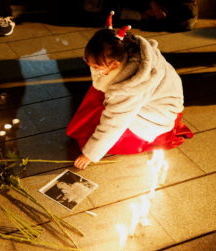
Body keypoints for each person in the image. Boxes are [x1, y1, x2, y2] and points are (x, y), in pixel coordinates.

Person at [67, 11, 193, 169]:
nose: (94, 70)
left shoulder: (130, 86)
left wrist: (90, 154)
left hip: (156, 116)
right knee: (97, 98)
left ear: (115, 64)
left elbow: (114, 124)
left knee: (94, 134)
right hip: (154, 100)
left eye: (97, 66)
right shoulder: (124, 47)